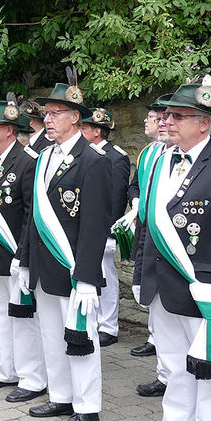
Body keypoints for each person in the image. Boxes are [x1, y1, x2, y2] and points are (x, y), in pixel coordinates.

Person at [133, 80, 211, 421]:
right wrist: (140, 274)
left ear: (204, 123)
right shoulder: (160, 162)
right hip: (163, 288)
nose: (168, 121)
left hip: (203, 291)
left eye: (180, 116)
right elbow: (149, 223)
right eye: (168, 114)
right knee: (175, 372)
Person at [16, 77, 112, 421]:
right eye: (47, 113)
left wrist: (87, 277)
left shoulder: (93, 161)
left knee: (80, 338)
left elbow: (94, 225)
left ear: (75, 117)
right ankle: (60, 396)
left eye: (55, 113)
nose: (48, 119)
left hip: (74, 270)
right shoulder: (43, 159)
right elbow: (32, 216)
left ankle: (86, 407)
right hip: (44, 265)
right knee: (52, 336)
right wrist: (25, 261)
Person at [0, 94, 48, 403]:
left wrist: (24, 256)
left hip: (16, 255)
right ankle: (7, 369)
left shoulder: (28, 162)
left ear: (8, 130)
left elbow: (32, 215)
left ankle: (32, 378)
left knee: (23, 317)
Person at [122, 97, 173, 398]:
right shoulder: (149, 153)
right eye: (162, 117)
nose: (163, 122)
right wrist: (137, 201)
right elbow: (135, 184)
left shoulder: (174, 156)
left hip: (174, 243)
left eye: (169, 117)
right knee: (154, 302)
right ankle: (164, 374)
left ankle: (172, 375)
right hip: (147, 229)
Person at [80, 108, 131, 347]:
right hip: (87, 229)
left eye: (84, 128)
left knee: (106, 278)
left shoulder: (116, 157)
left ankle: (109, 326)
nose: (80, 132)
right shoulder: (85, 154)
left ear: (97, 131)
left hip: (104, 231)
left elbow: (116, 197)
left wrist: (109, 232)